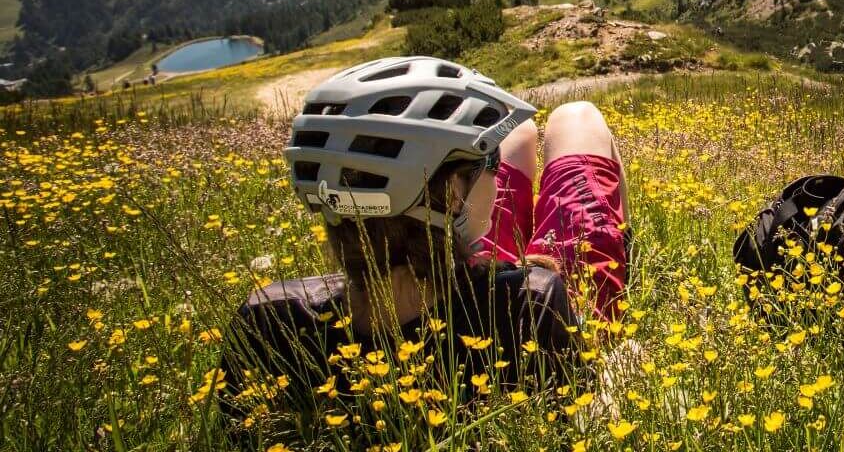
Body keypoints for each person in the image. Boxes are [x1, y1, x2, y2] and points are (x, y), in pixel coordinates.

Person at [217, 55, 628, 431]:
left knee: (519, 131)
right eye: (489, 160)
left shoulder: (268, 319)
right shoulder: (532, 301)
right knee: (577, 116)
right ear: (452, 193)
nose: (497, 167)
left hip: (454, 254)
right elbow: (579, 409)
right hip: (505, 291)